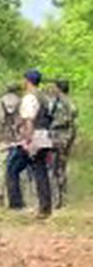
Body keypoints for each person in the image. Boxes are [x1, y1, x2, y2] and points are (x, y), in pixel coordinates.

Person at [7, 69, 53, 218]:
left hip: (34, 138)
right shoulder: (45, 98)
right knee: (40, 171)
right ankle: (45, 207)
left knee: (12, 168)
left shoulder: (29, 98)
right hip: (45, 136)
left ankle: (16, 203)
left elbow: (29, 120)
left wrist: (27, 140)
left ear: (27, 80)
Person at [0, 82, 21, 205]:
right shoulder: (21, 102)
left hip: (2, 140)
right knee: (18, 169)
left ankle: (0, 196)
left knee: (1, 167)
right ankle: (16, 197)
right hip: (19, 140)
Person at [49, 80, 77, 209]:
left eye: (54, 87)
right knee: (61, 166)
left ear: (59, 88)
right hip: (66, 137)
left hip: (59, 136)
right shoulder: (69, 101)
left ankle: (58, 198)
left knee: (55, 167)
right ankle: (61, 196)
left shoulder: (59, 102)